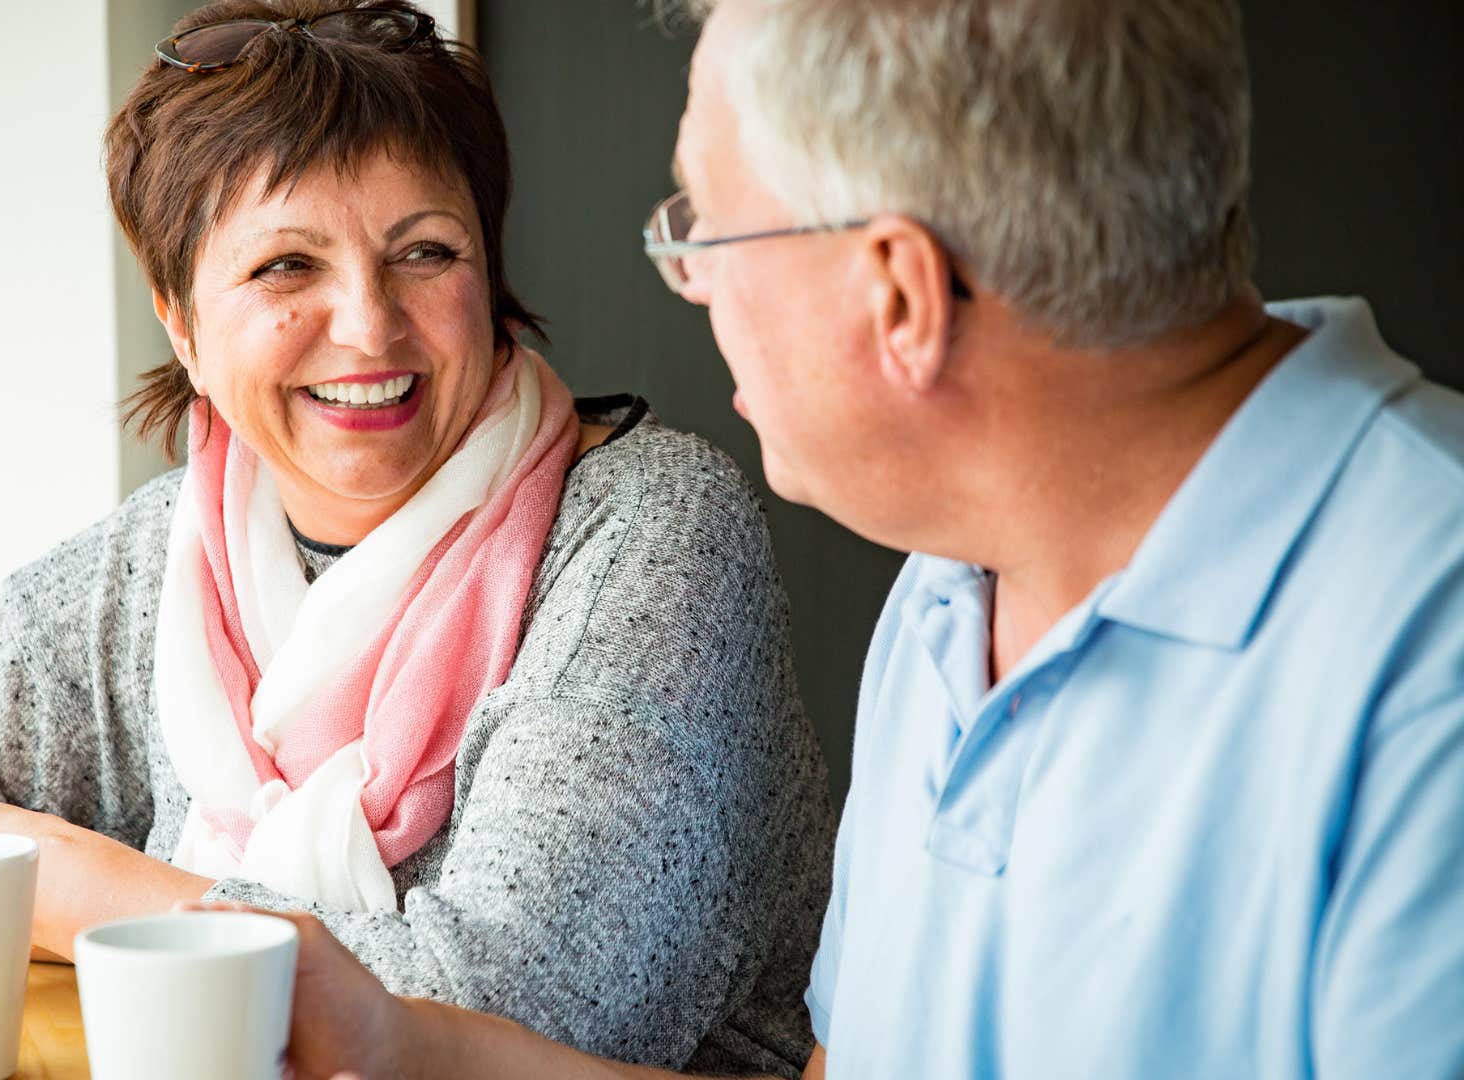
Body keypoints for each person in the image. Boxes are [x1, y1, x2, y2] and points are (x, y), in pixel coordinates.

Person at [255, 0, 1464, 1077]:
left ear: (900, 295)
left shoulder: (1427, 667)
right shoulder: (954, 583)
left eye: (706, 229)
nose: (692, 281)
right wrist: (408, 1049)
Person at [0, 1, 835, 1073]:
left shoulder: (650, 532)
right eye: (285, 267)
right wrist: (60, 890)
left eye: (425, 252)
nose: (369, 325)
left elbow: (507, 1015)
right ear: (180, 321)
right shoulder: (163, 561)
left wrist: (83, 892)